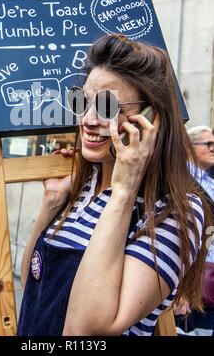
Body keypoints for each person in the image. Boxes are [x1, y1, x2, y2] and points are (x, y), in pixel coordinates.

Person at [17, 34, 211, 336]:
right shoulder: (80, 186)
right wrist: (52, 202)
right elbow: (33, 284)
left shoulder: (175, 210)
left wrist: (123, 191)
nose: (88, 119)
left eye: (108, 106)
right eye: (82, 101)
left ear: (151, 119)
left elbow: (86, 329)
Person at [174, 125, 214, 336]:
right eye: (208, 144)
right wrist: (182, 288)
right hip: (192, 279)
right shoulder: (179, 180)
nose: (213, 148)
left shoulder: (209, 182)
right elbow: (180, 236)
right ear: (189, 146)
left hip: (210, 276)